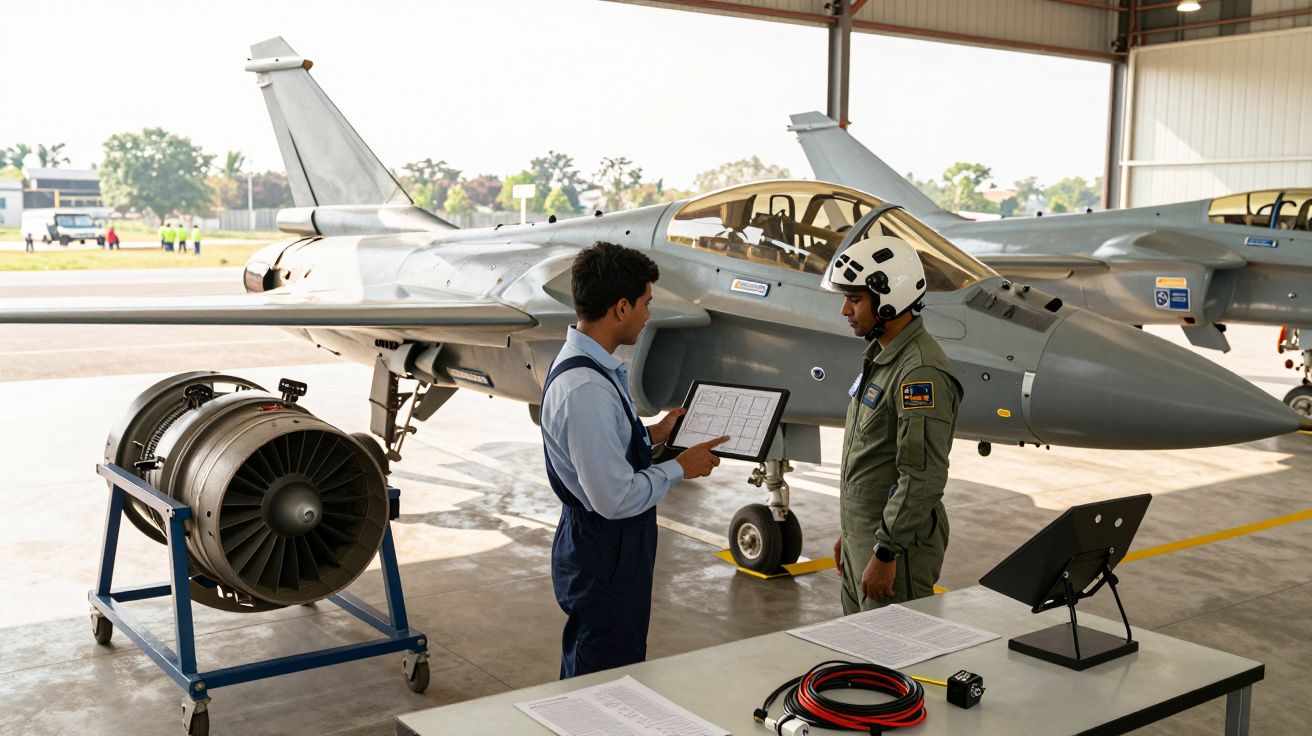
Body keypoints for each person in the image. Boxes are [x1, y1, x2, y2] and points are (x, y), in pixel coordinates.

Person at [541, 241, 728, 679]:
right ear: (621, 308)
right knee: (602, 674)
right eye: (646, 303)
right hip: (606, 549)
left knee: (603, 661)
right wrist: (682, 466)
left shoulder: (591, 366)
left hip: (606, 547)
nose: (649, 314)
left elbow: (598, 450)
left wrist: (654, 433)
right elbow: (614, 497)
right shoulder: (586, 388)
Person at [825, 235, 963, 614]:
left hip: (896, 552)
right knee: (860, 654)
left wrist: (885, 552)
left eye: (854, 299)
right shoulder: (883, 357)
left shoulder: (919, 372)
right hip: (867, 539)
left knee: (892, 658)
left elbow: (921, 475)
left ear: (889, 300)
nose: (844, 310)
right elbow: (872, 462)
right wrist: (851, 532)